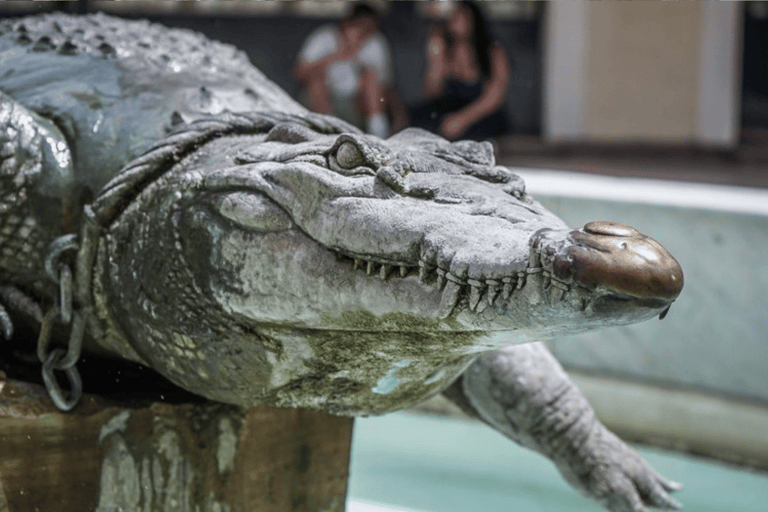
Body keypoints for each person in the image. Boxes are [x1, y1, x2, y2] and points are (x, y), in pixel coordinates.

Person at [293, 3, 405, 138]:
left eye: (369, 28)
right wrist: (338, 55)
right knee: (315, 80)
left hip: (357, 105)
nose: (364, 32)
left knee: (371, 76)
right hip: (324, 102)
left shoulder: (375, 42)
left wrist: (399, 115)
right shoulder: (324, 37)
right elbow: (299, 73)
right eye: (360, 26)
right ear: (347, 23)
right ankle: (329, 129)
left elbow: (386, 86)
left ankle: (377, 129)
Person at [410, 0, 511, 141]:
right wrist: (435, 56)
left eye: (460, 15)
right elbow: (432, 92)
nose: (455, 20)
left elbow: (494, 98)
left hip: (479, 116)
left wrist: (461, 120)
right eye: (452, 16)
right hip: (449, 113)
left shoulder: (493, 52)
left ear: (474, 19)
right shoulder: (444, 49)